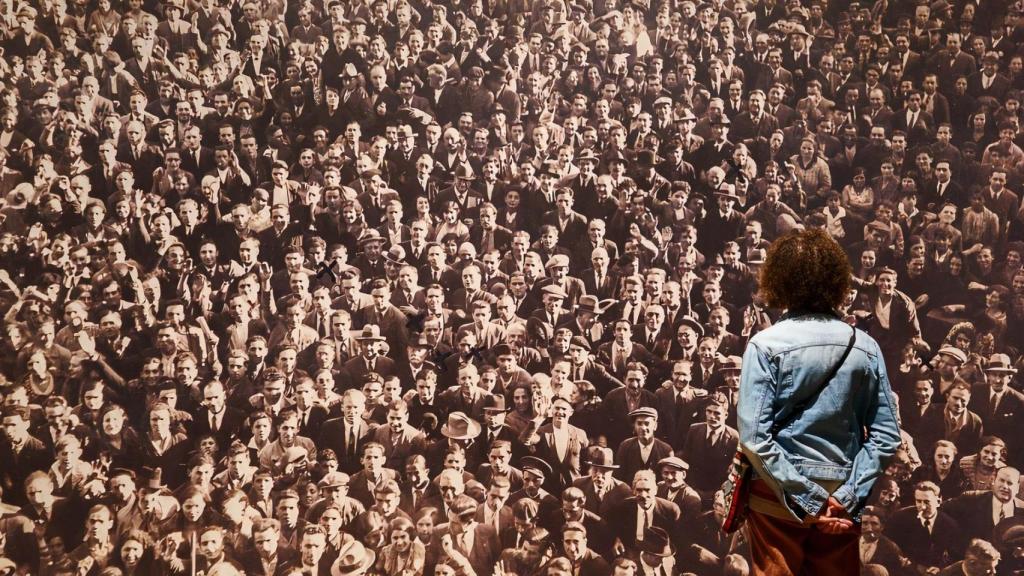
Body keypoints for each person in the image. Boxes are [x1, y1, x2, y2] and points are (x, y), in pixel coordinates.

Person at [738, 228, 902, 575]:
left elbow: (754, 437)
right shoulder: (865, 346)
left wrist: (807, 497)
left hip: (776, 499)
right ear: (836, 282)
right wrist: (844, 498)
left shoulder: (764, 344)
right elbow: (887, 436)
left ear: (779, 280)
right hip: (843, 495)